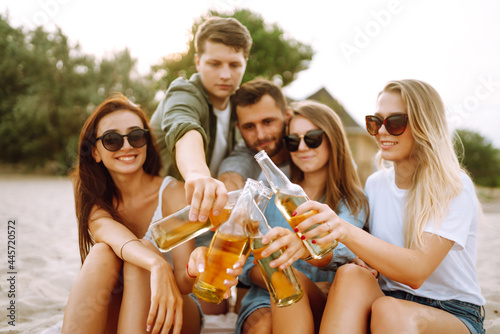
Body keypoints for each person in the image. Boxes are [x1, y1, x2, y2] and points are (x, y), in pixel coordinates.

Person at [293, 79, 485, 333]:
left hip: (451, 310)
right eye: (375, 122)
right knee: (351, 275)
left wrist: (343, 229)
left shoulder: (453, 185)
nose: (382, 131)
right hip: (388, 298)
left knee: (388, 310)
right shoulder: (375, 184)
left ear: (423, 125)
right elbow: (373, 253)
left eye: (394, 123)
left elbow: (416, 272)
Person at [62, 93, 241, 334]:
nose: (126, 146)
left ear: (146, 142)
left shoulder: (172, 193)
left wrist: (196, 268)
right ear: (95, 152)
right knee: (104, 251)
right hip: (120, 309)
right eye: (112, 140)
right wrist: (157, 265)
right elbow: (121, 241)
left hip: (174, 311)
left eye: (136, 136)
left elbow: (183, 282)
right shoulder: (96, 204)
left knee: (143, 253)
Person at [234, 100, 369, 334]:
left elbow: (342, 251)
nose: (303, 147)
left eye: (312, 138)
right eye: (293, 141)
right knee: (265, 324)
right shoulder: (270, 190)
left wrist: (300, 253)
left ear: (332, 138)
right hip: (264, 296)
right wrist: (288, 275)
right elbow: (248, 262)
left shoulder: (353, 200)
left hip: (321, 302)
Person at [149, 16, 252, 225]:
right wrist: (196, 174)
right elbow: (184, 126)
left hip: (201, 216)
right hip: (158, 214)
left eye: (234, 65)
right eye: (214, 64)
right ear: (197, 62)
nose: (225, 74)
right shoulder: (183, 92)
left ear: (245, 64)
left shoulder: (240, 105)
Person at [218, 78, 291, 191]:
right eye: (249, 127)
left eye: (268, 122)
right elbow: (232, 175)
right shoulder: (248, 152)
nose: (260, 135)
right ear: (239, 128)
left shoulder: (308, 144)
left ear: (287, 116)